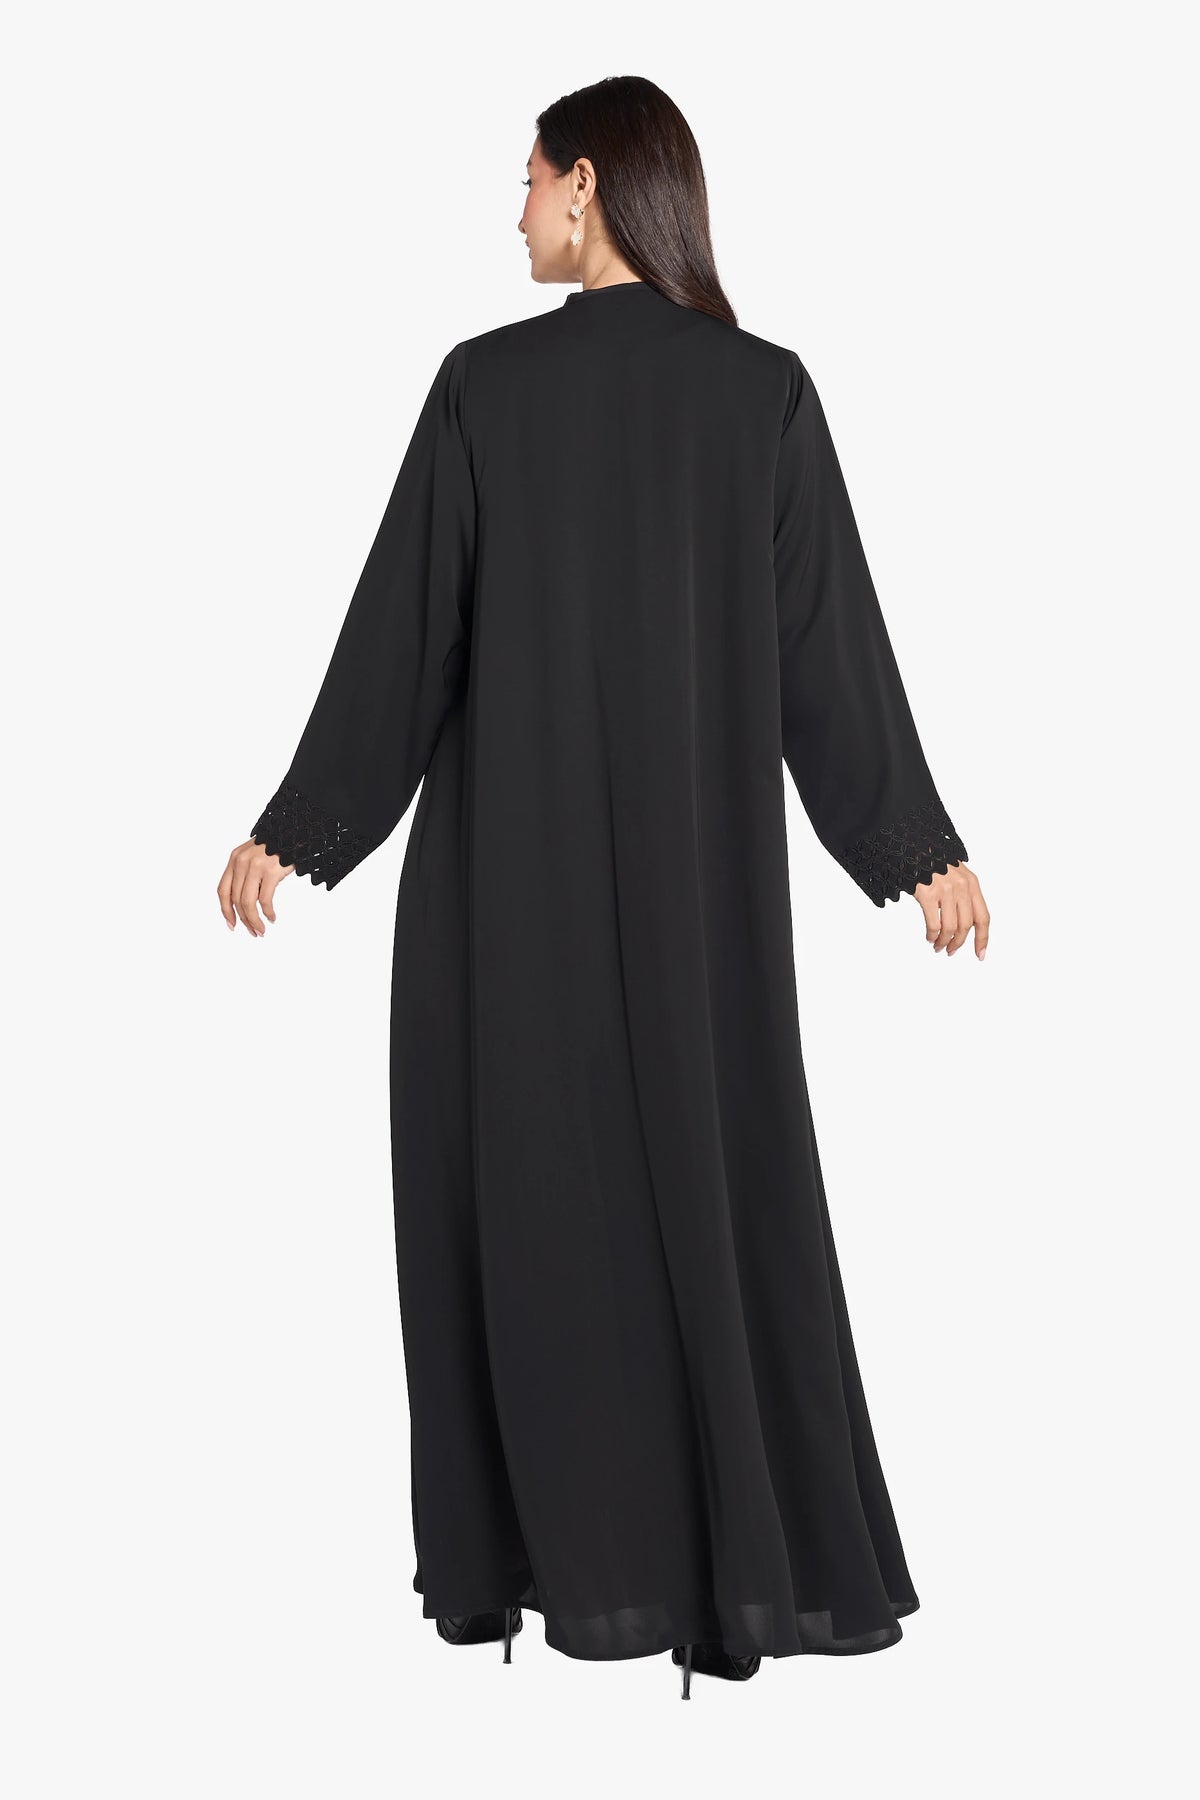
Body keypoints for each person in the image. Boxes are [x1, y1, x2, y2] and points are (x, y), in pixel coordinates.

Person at [217, 75, 989, 1701]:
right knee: (707, 1204)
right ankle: (721, 1585)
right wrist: (913, 843)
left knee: (525, 1222)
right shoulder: (760, 394)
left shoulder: (490, 390)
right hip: (701, 919)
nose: (513, 213)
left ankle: (540, 1568)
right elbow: (828, 661)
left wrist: (303, 824)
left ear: (587, 186)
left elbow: (404, 641)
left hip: (500, 918)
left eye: (525, 181)